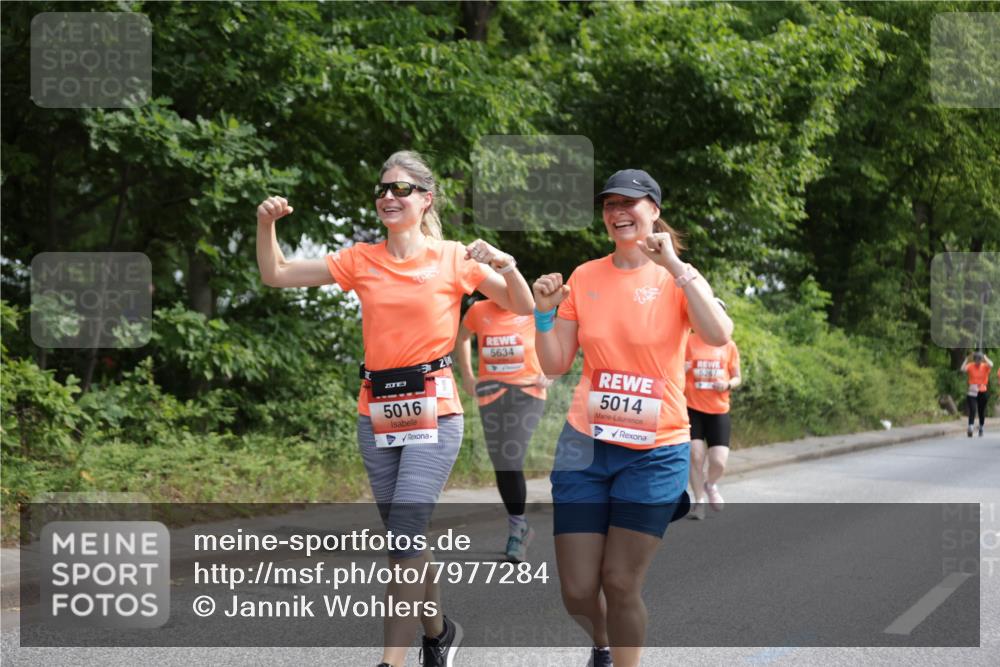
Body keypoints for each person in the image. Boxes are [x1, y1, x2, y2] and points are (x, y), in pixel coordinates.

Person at [255, 150, 534, 667]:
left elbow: (522, 306)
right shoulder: (361, 259)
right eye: (382, 189)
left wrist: (505, 264)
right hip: (377, 409)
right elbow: (276, 274)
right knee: (406, 540)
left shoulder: (454, 257)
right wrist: (265, 223)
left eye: (401, 189)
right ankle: (439, 632)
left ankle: (390, 661)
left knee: (404, 535)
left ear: (425, 199)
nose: (388, 196)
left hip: (435, 407)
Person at [532, 169, 732, 667]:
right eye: (609, 204)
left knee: (620, 582)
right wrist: (541, 314)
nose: (619, 212)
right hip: (585, 445)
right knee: (578, 591)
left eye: (631, 203)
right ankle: (603, 644)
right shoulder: (585, 275)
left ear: (654, 211)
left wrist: (678, 268)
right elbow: (555, 363)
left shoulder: (678, 275)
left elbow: (719, 332)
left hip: (656, 450)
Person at [455, 297, 551, 562]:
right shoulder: (478, 310)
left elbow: (558, 338)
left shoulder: (532, 307)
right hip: (490, 393)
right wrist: (467, 376)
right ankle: (519, 524)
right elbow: (462, 336)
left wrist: (551, 371)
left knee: (510, 458)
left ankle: (517, 529)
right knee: (501, 464)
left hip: (527, 392)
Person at [684, 299, 741, 520]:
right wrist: (682, 367)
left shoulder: (728, 345)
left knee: (718, 461)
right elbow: (673, 370)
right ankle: (698, 502)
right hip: (692, 407)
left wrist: (727, 384)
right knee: (695, 455)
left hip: (718, 408)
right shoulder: (689, 341)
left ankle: (710, 484)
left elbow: (737, 377)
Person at [961, 351, 993, 437]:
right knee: (972, 409)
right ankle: (970, 427)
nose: (977, 362)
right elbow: (962, 369)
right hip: (972, 391)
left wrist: (985, 357)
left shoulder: (985, 366)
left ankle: (981, 427)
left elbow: (991, 364)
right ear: (974, 360)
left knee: (981, 411)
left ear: (981, 360)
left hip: (982, 391)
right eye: (976, 360)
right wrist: (966, 359)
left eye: (979, 360)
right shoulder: (971, 365)